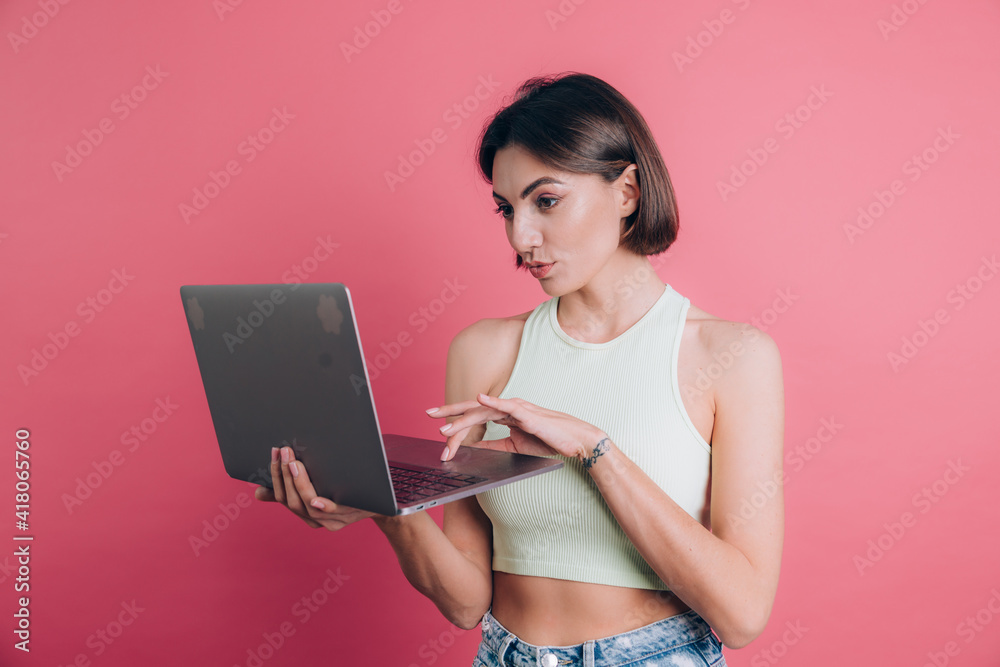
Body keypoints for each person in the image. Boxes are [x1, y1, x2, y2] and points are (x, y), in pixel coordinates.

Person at [254, 71, 784, 667]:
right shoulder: (484, 353)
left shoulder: (732, 357)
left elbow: (741, 616)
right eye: (507, 208)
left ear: (628, 192)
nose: (520, 236)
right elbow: (466, 602)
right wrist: (385, 506)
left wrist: (593, 450)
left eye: (546, 200)